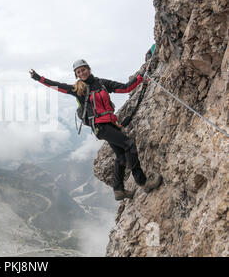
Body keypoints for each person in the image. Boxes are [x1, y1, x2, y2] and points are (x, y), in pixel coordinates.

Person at [29, 59, 162, 201]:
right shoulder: (78, 90)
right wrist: (39, 78)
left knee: (122, 156)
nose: (82, 73)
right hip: (100, 127)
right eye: (78, 72)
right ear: (76, 75)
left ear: (88, 69)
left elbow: (125, 88)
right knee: (129, 144)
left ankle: (118, 190)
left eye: (83, 69)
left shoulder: (102, 83)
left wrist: (141, 77)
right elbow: (57, 86)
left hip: (110, 124)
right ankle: (143, 182)